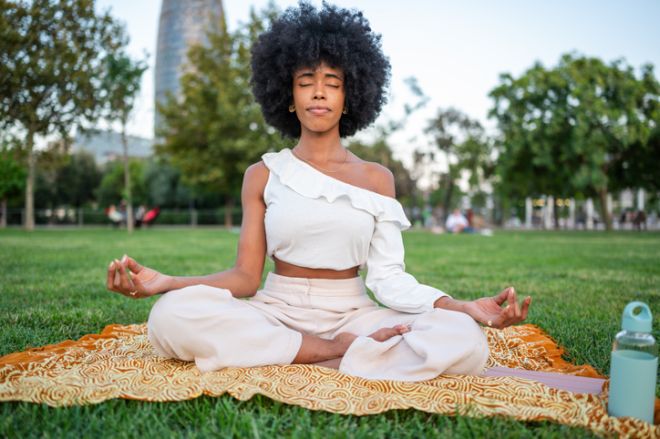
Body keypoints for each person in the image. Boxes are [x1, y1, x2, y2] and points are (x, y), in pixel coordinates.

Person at [106, 3, 531, 381]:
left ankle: (306, 352)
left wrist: (461, 307)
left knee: (464, 340)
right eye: (306, 80)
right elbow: (244, 278)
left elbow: (389, 279)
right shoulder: (262, 174)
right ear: (288, 96)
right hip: (275, 311)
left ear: (350, 96)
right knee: (171, 316)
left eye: (333, 81)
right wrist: (167, 283)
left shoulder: (377, 178)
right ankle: (335, 353)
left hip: (354, 312)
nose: (319, 91)